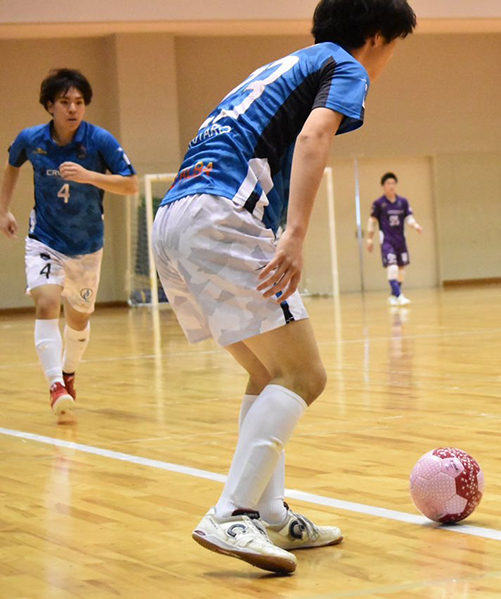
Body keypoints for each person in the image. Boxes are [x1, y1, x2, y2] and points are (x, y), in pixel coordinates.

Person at [151, 0, 416, 574]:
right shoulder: (346, 65)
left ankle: (269, 515)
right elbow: (315, 137)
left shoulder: (283, 66)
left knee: (268, 372)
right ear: (377, 36)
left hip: (173, 217)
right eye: (396, 46)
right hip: (220, 216)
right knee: (305, 375)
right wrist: (294, 234)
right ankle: (232, 512)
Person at [0, 68, 138, 419]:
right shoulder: (31, 139)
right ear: (50, 106)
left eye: (78, 102)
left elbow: (131, 184)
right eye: (65, 102)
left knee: (78, 320)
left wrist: (90, 176)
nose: (73, 108)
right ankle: (54, 385)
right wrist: (3, 210)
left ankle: (69, 373)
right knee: (47, 303)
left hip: (87, 245)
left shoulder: (100, 141)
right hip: (45, 239)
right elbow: (12, 165)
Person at [366, 172, 423, 306]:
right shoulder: (379, 203)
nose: (391, 186)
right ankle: (399, 296)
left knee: (401, 270)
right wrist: (369, 239)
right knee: (392, 268)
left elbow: (409, 218)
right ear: (383, 186)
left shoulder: (403, 202)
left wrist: (416, 226)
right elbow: (372, 221)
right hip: (387, 241)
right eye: (388, 183)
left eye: (393, 183)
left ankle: (393, 295)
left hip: (400, 241)